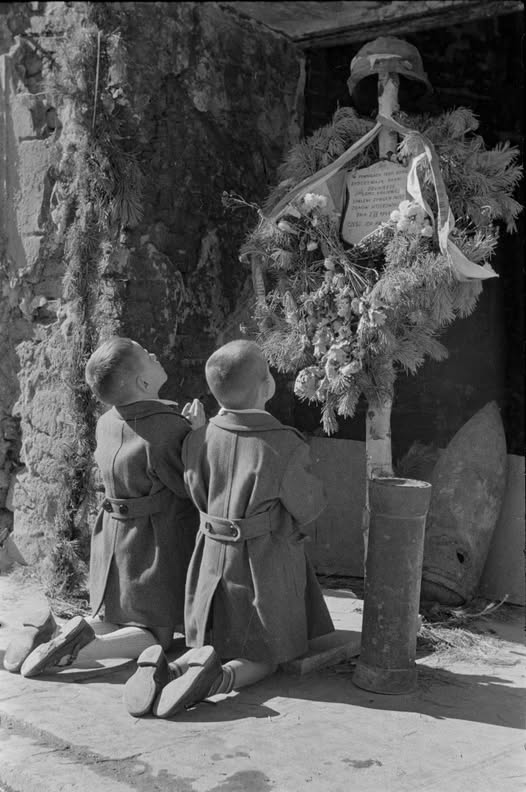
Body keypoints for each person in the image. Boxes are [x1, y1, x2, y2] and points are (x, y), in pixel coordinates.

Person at [124, 339, 334, 718]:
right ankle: (217, 681)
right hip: (261, 566)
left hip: (209, 560)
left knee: (217, 634)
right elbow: (309, 506)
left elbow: (192, 490)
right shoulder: (285, 444)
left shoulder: (197, 438)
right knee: (265, 654)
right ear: (267, 386)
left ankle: (170, 670)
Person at [6, 337, 204, 683]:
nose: (154, 353)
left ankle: (52, 635)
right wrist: (198, 435)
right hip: (153, 545)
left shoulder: (107, 422)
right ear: (144, 383)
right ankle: (81, 650)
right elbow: (191, 486)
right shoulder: (170, 428)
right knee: (155, 634)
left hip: (114, 541)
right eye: (147, 354)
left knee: (118, 618)